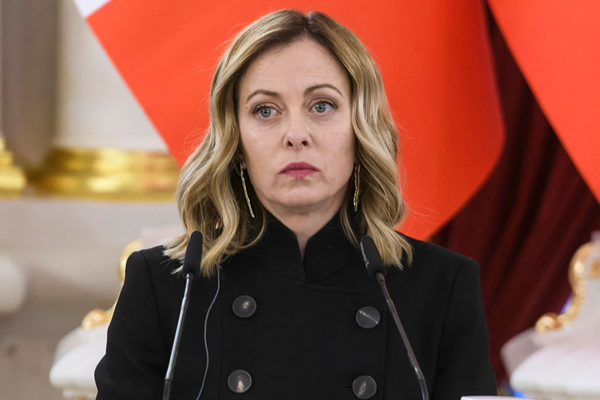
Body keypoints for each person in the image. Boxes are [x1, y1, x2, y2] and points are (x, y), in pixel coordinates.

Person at [95, 10, 497, 400]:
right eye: (265, 110)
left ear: (360, 127)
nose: (296, 134)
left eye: (322, 105)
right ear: (236, 141)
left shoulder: (442, 287)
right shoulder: (165, 286)